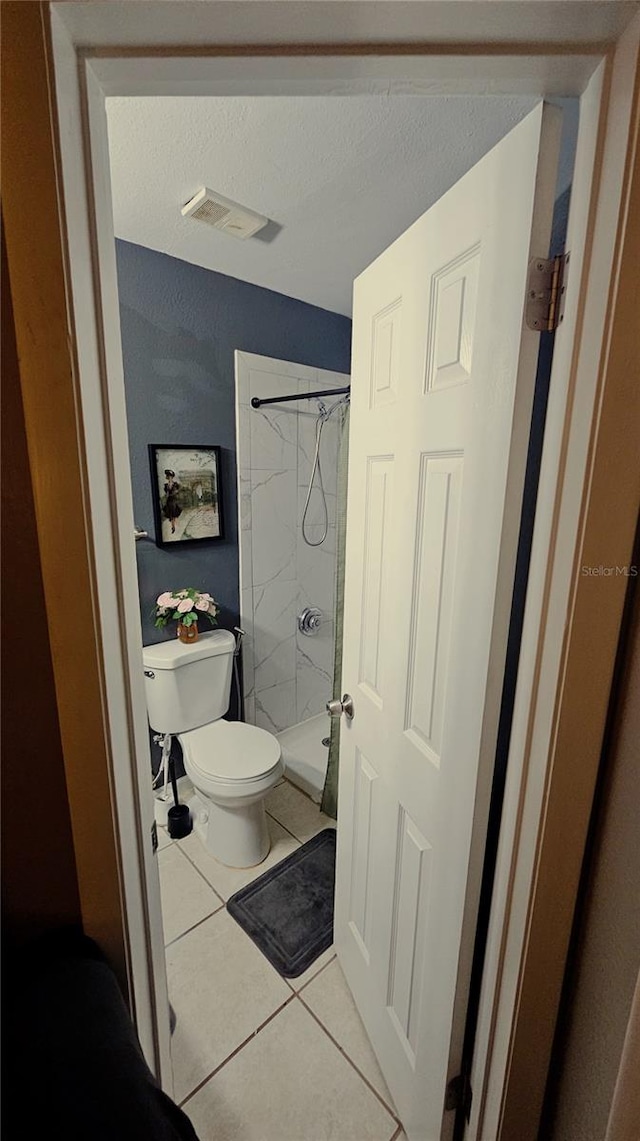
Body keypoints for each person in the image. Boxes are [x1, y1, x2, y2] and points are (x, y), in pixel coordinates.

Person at [162, 469, 182, 535]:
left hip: (173, 500)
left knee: (173, 513)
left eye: (169, 476)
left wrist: (174, 493)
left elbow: (177, 492)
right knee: (170, 513)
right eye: (168, 476)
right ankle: (173, 526)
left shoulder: (175, 484)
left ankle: (173, 526)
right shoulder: (166, 485)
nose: (168, 477)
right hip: (169, 500)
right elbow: (167, 493)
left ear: (172, 477)